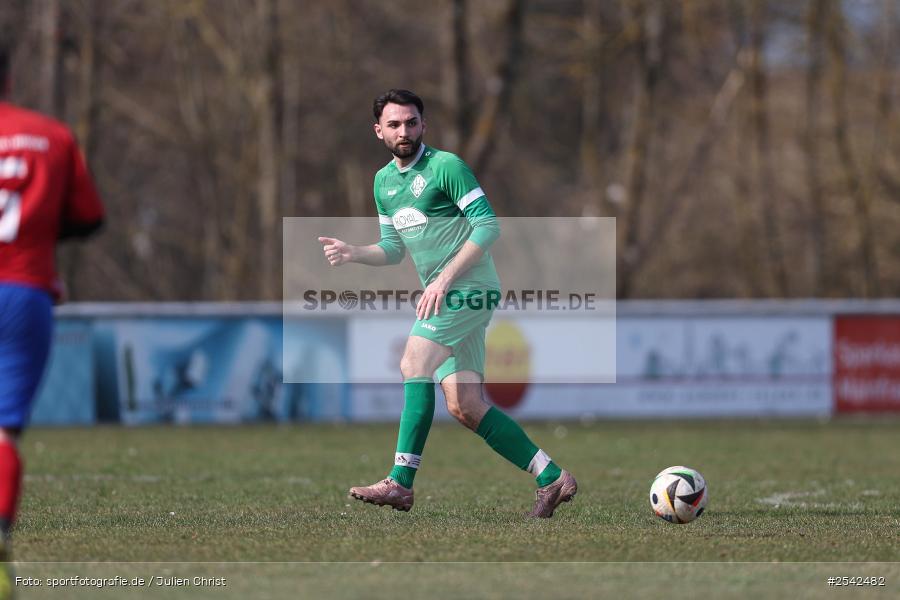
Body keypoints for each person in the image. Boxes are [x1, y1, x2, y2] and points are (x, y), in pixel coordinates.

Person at [318, 89, 576, 518]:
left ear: (424, 124)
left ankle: (400, 483)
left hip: (470, 288)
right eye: (395, 124)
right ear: (378, 130)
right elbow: (394, 248)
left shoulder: (446, 167)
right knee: (465, 405)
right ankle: (552, 477)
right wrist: (354, 253)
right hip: (448, 291)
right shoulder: (383, 183)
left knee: (413, 363)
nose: (405, 131)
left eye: (412, 122)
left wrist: (444, 279)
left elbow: (488, 226)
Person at [0, 43, 105, 590]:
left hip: (26, 284)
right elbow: (88, 218)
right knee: (3, 434)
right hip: (23, 291)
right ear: (10, 74)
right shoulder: (50, 135)